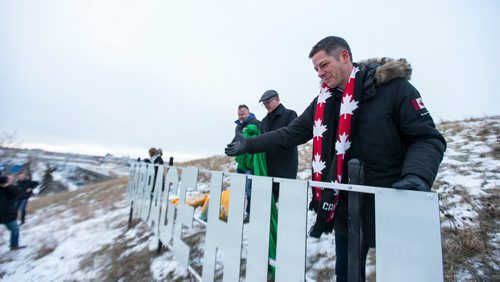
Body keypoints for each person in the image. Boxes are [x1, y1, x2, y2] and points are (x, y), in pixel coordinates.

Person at [225, 36, 446, 281]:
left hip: (391, 201)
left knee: (398, 275)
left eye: (324, 65)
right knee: (346, 275)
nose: (319, 74)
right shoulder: (324, 101)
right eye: (316, 69)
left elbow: (427, 138)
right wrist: (248, 145)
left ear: (344, 56)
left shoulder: (394, 89)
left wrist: (416, 176)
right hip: (343, 206)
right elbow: (291, 133)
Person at [258, 89, 299, 201]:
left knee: (286, 203)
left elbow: (293, 138)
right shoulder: (264, 121)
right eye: (264, 104)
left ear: (277, 99)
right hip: (268, 169)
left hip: (285, 168)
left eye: (268, 102)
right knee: (269, 204)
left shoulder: (290, 114)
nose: (266, 105)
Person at [232, 105, 261, 221]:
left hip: (251, 163)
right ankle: (237, 212)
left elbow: (259, 140)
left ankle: (250, 213)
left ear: (249, 113)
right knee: (238, 189)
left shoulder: (257, 123)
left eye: (243, 114)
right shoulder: (238, 126)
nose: (240, 116)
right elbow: (236, 139)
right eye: (239, 114)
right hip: (241, 163)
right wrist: (230, 147)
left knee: (250, 190)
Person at [0, 175, 25, 251]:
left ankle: (14, 245)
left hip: (8, 215)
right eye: (8, 180)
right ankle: (14, 245)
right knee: (15, 230)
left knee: (15, 230)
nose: (10, 181)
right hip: (6, 214)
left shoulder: (11, 188)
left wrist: (7, 186)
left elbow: (18, 193)